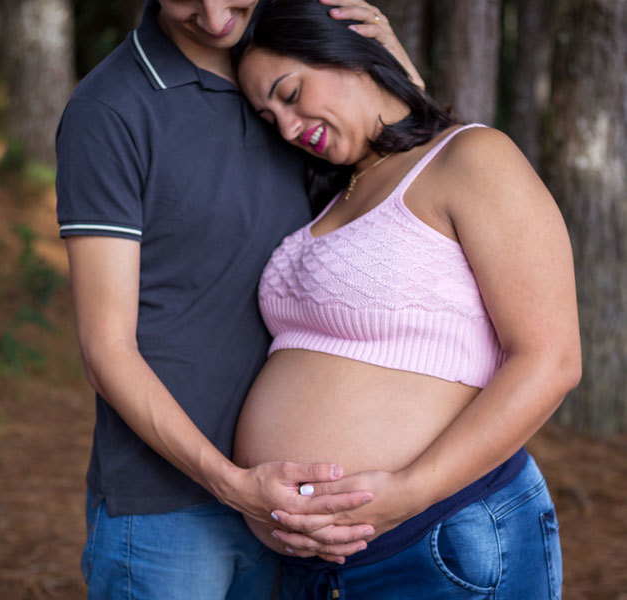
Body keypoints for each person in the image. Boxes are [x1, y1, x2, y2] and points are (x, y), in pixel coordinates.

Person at [55, 1, 424, 597]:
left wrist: (388, 71)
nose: (211, 14)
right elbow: (106, 348)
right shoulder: (110, 111)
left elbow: (410, 191)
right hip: (169, 510)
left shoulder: (293, 70)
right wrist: (231, 483)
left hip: (300, 522)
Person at [231, 0, 582, 597]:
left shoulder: (473, 158)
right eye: (269, 117)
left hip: (441, 538)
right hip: (315, 569)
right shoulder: (342, 188)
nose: (287, 127)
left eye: (290, 93)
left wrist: (410, 492)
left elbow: (551, 361)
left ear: (348, 55)